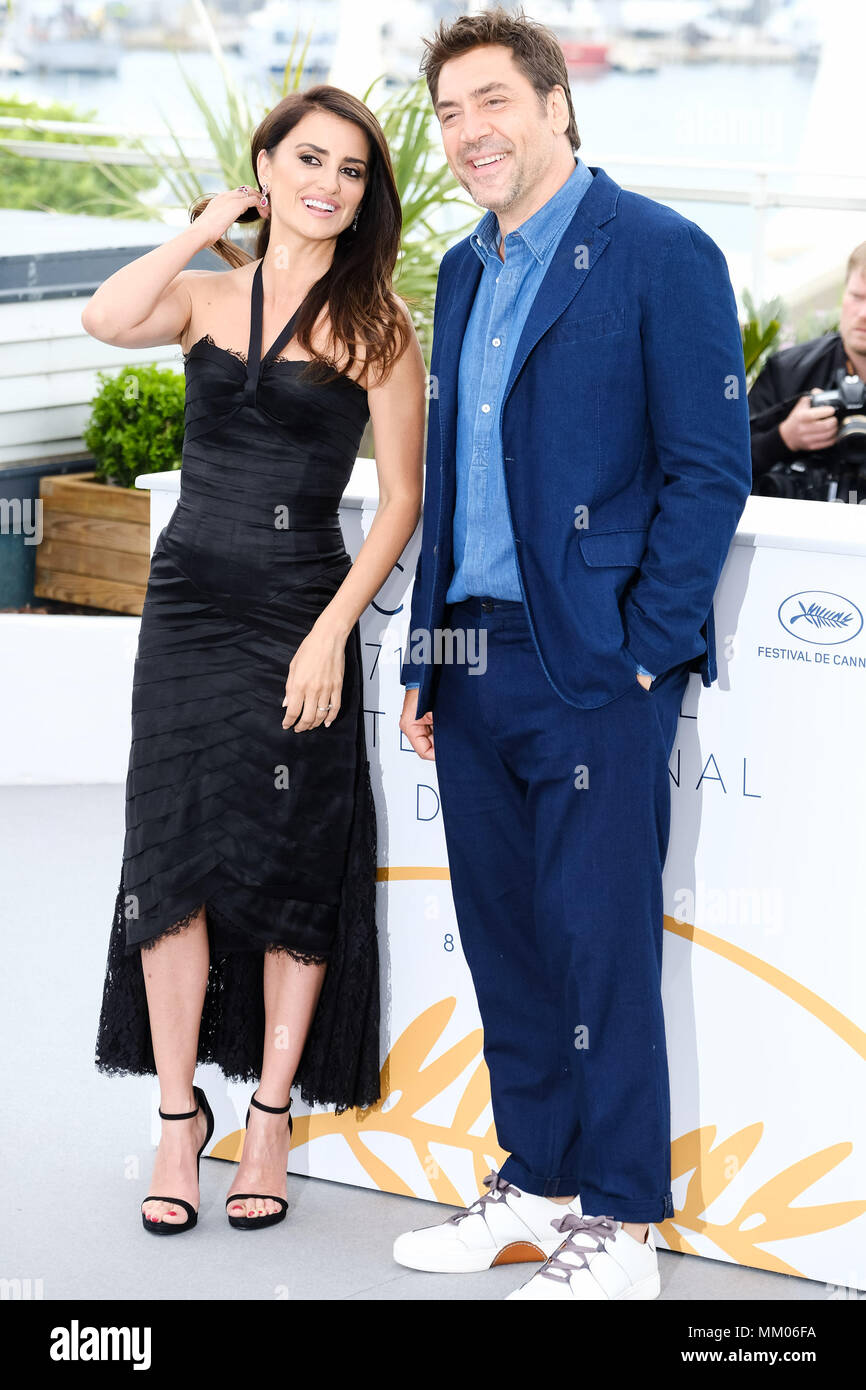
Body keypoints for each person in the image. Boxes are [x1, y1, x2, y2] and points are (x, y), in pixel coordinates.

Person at [395, 7, 752, 1300]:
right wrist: (424, 659)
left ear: (553, 103)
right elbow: (449, 483)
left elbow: (709, 468)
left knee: (598, 942)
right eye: (446, 113)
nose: (466, 133)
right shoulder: (458, 267)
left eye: (490, 101)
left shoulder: (659, 251)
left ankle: (621, 1220)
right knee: (504, 938)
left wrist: (645, 653)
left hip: (593, 667)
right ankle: (533, 1180)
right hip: (473, 655)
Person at [85, 86, 426, 1235]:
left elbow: (402, 505)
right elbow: (102, 315)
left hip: (295, 614)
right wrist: (201, 224)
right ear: (267, 166)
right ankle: (179, 1119)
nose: (328, 183)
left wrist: (330, 630)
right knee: (171, 851)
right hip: (182, 608)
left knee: (289, 858)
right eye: (307, 159)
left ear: (366, 194)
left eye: (351, 169)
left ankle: (271, 1112)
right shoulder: (201, 295)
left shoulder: (377, 325)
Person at [748, 243, 866, 499]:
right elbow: (723, 460)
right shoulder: (787, 369)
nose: (863, 314)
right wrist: (784, 438)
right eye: (857, 297)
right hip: (794, 533)